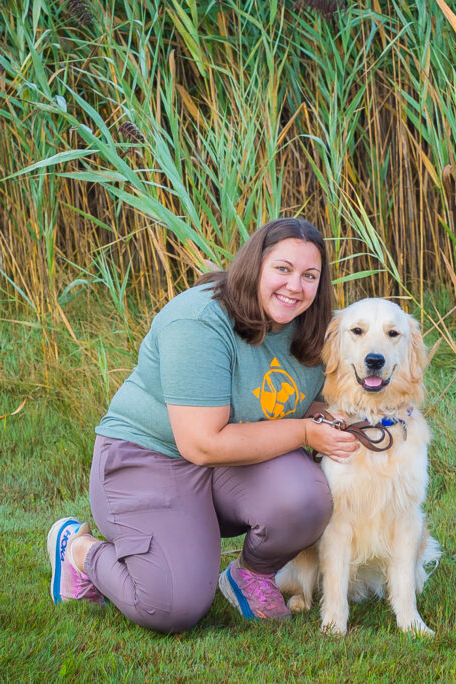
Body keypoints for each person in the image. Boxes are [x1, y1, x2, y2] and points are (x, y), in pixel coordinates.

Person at [45, 218, 360, 634]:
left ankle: (249, 573)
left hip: (234, 460)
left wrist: (325, 415)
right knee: (171, 606)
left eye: (309, 276)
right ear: (254, 266)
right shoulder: (199, 319)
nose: (295, 286)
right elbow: (202, 444)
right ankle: (78, 550)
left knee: (305, 499)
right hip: (151, 458)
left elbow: (291, 400)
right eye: (282, 269)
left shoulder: (315, 328)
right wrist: (305, 433)